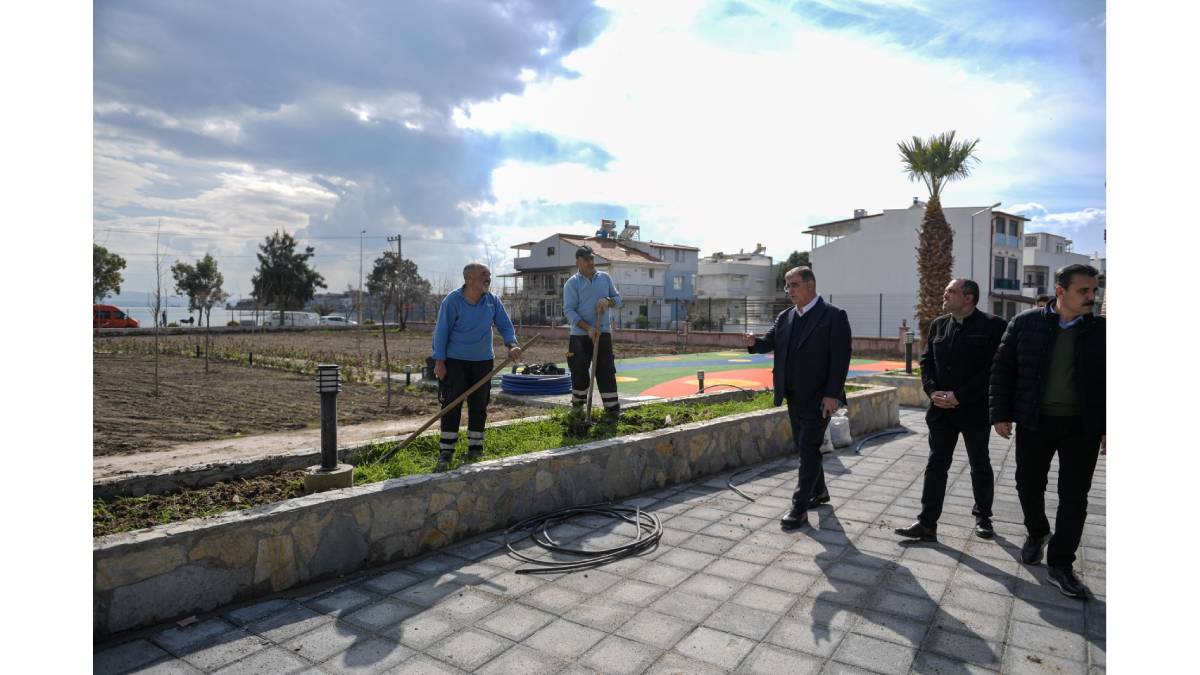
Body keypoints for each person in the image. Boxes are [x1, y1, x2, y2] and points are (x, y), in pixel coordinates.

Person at [989, 263, 1105, 599]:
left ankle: (1061, 564)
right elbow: (1003, 369)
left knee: (1074, 497)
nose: (1091, 296)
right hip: (1034, 422)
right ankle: (1037, 532)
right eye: (1083, 290)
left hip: (1081, 426)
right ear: (1060, 291)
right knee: (1027, 484)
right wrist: (1000, 413)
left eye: (1094, 290)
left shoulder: (1102, 331)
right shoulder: (1025, 323)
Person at [895, 279, 1007, 542]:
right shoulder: (938, 324)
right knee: (936, 464)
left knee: (979, 463)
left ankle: (983, 518)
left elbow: (993, 369)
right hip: (941, 410)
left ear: (968, 298)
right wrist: (932, 391)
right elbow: (926, 361)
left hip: (974, 410)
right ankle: (926, 523)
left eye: (951, 291)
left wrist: (960, 396)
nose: (944, 294)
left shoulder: (993, 326)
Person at [744, 267, 851, 529]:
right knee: (808, 448)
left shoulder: (833, 316)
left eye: (794, 285)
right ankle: (820, 491)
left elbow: (840, 359)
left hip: (819, 399)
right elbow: (770, 342)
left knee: (806, 450)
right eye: (787, 286)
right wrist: (753, 342)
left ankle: (799, 507)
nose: (789, 290)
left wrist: (832, 395)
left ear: (810, 285)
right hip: (793, 396)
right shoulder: (785, 317)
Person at [431, 262, 521, 472]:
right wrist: (439, 361)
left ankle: (475, 447)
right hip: (456, 362)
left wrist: (512, 344)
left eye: (489, 274)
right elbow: (441, 331)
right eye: (483, 274)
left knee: (479, 406)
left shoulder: (492, 300)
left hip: (483, 362)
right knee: (451, 405)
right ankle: (446, 450)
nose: (488, 278)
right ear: (469, 278)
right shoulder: (453, 301)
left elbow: (505, 324)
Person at [564, 245, 623, 418]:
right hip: (580, 336)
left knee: (606, 371)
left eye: (592, 259)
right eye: (586, 259)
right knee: (579, 371)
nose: (590, 262)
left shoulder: (604, 278)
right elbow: (569, 311)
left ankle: (612, 410)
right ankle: (577, 408)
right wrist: (588, 328)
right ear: (578, 262)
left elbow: (618, 300)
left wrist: (607, 301)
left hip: (603, 333)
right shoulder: (572, 283)